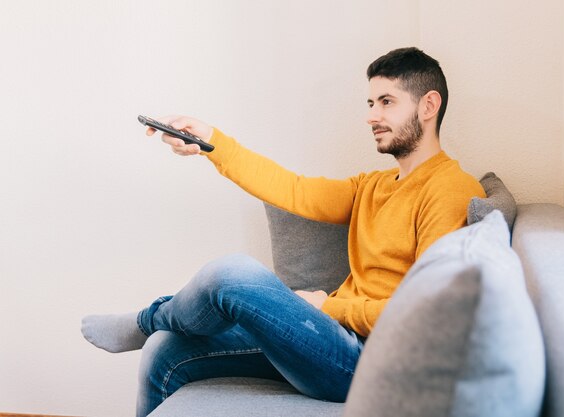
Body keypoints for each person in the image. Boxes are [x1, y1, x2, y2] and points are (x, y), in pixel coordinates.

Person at [81, 47, 485, 417]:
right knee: (165, 350)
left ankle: (146, 318)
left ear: (429, 105)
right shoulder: (374, 186)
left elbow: (428, 315)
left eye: (386, 102)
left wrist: (328, 308)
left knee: (232, 273)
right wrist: (211, 142)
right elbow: (292, 190)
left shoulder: (451, 191)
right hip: (330, 338)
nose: (371, 116)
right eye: (370, 103)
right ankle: (152, 328)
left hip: (371, 363)